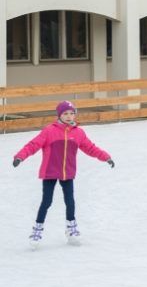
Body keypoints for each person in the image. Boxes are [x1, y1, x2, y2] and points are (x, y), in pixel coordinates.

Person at [13, 101, 114, 248]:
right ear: (59, 115)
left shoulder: (79, 133)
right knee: (46, 202)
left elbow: (91, 148)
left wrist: (106, 157)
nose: (69, 116)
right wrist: (20, 156)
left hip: (68, 173)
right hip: (50, 172)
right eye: (65, 113)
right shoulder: (49, 131)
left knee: (70, 201)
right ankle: (37, 230)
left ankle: (71, 229)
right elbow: (33, 145)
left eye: (72, 113)